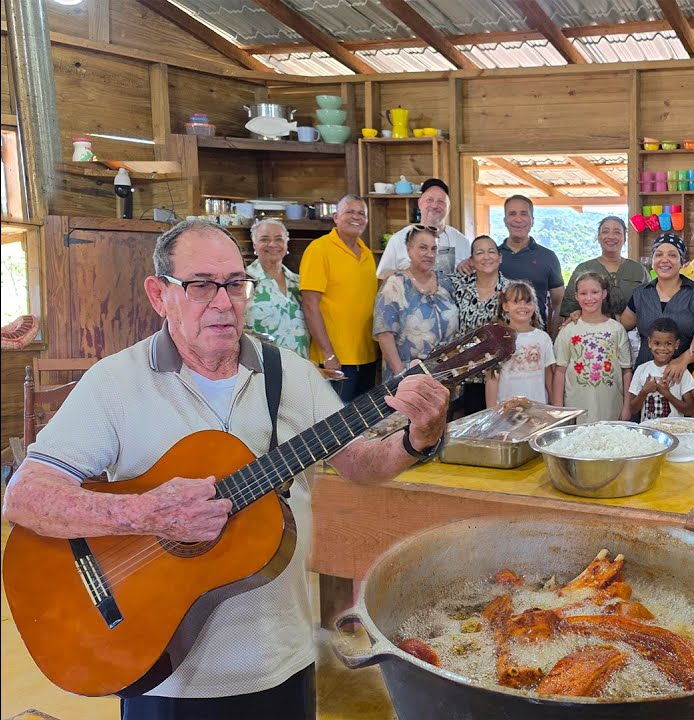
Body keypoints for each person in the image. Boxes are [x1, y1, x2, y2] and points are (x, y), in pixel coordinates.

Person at [1, 219, 450, 717]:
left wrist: (417, 439)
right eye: (200, 286)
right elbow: (25, 496)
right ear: (159, 294)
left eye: (235, 284)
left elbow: (360, 464)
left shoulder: (290, 374)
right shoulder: (114, 383)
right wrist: (146, 514)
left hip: (279, 662)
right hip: (162, 679)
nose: (223, 302)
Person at [299, 195, 379, 402]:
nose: (356, 217)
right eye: (349, 212)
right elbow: (310, 304)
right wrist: (329, 354)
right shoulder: (319, 250)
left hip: (367, 357)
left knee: (363, 426)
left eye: (361, 213)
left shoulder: (367, 254)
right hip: (335, 359)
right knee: (335, 426)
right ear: (335, 217)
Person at [372, 225, 459, 379]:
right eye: (423, 248)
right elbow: (384, 334)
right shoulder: (395, 284)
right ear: (409, 250)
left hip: (444, 375)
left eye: (434, 249)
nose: (429, 254)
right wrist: (401, 375)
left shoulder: (445, 282)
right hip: (406, 375)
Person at [621, 235, 694, 369]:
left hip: (686, 376)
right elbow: (621, 326)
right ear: (653, 260)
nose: (664, 260)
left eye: (672, 255)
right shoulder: (640, 294)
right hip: (645, 376)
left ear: (682, 262)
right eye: (658, 255)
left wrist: (683, 360)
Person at [553, 272, 633, 424]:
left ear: (604, 293)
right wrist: (558, 408)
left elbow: (626, 370)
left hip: (611, 408)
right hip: (576, 409)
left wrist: (627, 406)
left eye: (594, 292)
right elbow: (559, 371)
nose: (589, 298)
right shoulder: (568, 330)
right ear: (576, 296)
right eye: (583, 293)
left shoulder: (616, 329)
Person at [444, 235, 508, 416]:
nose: (486, 257)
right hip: (461, 374)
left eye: (491, 251)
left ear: (500, 257)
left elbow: (531, 327)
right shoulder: (457, 286)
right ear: (471, 260)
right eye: (479, 253)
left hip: (497, 377)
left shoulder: (511, 290)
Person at [376, 178, 471, 277]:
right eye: (430, 200)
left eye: (441, 202)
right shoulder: (399, 239)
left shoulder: (462, 241)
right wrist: (407, 273)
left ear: (449, 207)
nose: (434, 205)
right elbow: (382, 276)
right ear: (420, 203)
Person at [561, 215, 649, 319]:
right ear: (598, 237)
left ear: (624, 238)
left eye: (617, 232)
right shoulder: (584, 269)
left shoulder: (638, 270)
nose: (611, 236)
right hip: (593, 332)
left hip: (633, 332)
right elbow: (570, 310)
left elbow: (650, 305)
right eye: (605, 231)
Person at [498, 195, 564, 335]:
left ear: (532, 220)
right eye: (512, 214)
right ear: (505, 221)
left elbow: (559, 303)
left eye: (524, 214)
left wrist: (552, 337)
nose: (518, 219)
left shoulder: (548, 257)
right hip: (498, 339)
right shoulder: (492, 257)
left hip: (536, 338)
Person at [243, 219, 308, 358]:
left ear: (286, 243)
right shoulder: (244, 281)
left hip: (302, 364)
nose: (272, 244)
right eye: (264, 239)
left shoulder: (300, 282)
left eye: (279, 239)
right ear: (254, 245)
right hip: (262, 363)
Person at [486, 281, 554, 407]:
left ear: (534, 306)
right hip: (507, 411)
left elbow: (549, 375)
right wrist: (491, 412)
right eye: (516, 302)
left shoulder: (543, 338)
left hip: (538, 408)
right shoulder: (498, 340)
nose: (523, 306)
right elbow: (492, 379)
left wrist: (554, 405)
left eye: (528, 302)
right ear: (505, 306)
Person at [627, 317, 694, 422]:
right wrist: (644, 391)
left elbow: (689, 411)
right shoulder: (641, 369)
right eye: (657, 343)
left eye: (668, 343)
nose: (662, 348)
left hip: (675, 433)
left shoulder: (681, 372)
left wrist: (666, 393)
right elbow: (632, 409)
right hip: (649, 434)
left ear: (676, 344)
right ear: (649, 343)